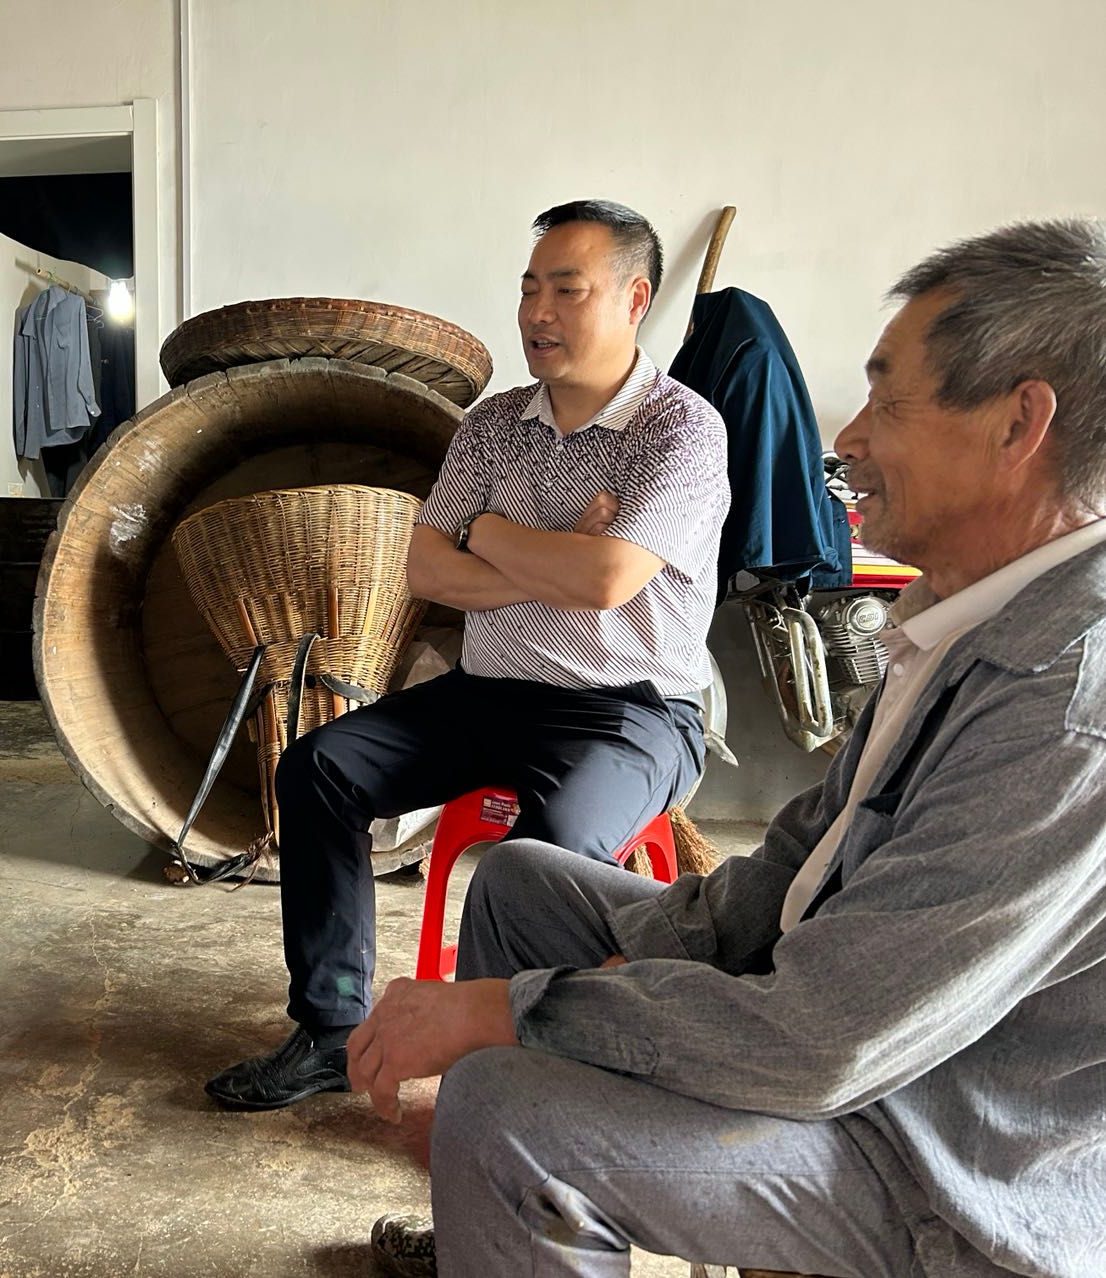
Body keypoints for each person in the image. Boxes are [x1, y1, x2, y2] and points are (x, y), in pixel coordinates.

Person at [350, 219, 1106, 1278]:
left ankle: (501, 1182)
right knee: (521, 881)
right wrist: (634, 968)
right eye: (530, 287)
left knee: (503, 1108)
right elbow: (799, 864)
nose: (845, 442)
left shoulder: (1064, 697)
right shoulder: (962, 618)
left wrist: (512, 1015)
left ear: (1019, 423)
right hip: (847, 1029)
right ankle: (485, 1229)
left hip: (935, 1149)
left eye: (887, 403)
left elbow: (823, 1039)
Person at [205, 200, 730, 1111]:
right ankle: (330, 1031)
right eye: (529, 289)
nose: (537, 313)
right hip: (488, 692)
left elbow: (607, 580)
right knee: (317, 769)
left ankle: (510, 1070)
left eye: (567, 290)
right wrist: (552, 552)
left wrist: (490, 534)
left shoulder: (681, 431)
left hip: (631, 710)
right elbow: (426, 570)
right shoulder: (491, 426)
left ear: (635, 298)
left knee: (549, 853)